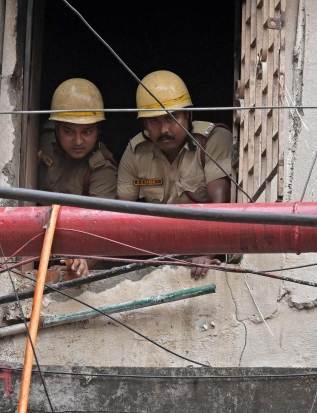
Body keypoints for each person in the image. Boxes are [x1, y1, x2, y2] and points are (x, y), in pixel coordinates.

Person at [117, 70, 233, 277]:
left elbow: (220, 204)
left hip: (206, 253)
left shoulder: (213, 140)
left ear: (188, 115)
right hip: (157, 261)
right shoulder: (135, 152)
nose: (164, 129)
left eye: (172, 118)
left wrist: (206, 254)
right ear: (144, 124)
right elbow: (120, 216)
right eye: (153, 121)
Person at [38, 78, 118, 277]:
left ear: (99, 129)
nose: (78, 141)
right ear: (55, 127)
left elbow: (101, 228)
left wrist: (82, 261)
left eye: (87, 131)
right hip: (39, 241)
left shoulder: (103, 170)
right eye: (69, 131)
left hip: (83, 253)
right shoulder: (43, 138)